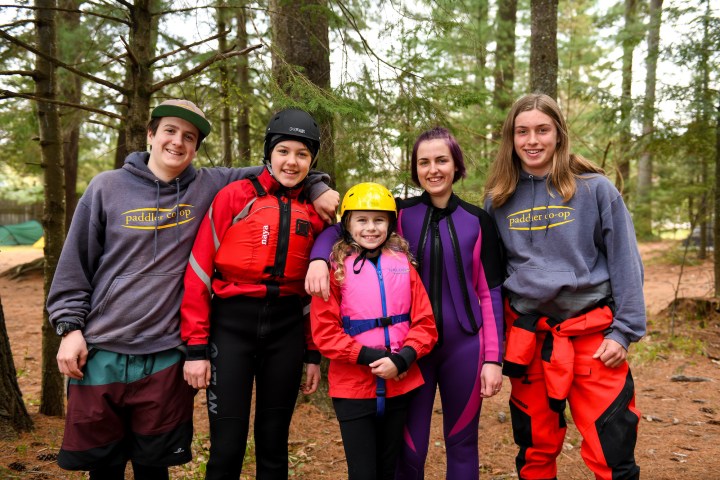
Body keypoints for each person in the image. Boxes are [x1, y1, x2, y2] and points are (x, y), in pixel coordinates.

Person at [47, 100, 339, 480]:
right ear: (150, 135)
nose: (178, 142)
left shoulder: (207, 185)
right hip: (104, 345)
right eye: (169, 131)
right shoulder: (107, 187)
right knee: (105, 465)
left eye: (189, 137)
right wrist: (70, 328)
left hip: (166, 350)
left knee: (155, 466)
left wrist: (317, 183)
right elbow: (75, 264)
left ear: (196, 147)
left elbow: (281, 171)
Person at [306, 127, 505, 479]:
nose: (433, 169)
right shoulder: (399, 214)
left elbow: (489, 292)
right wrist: (319, 259)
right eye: (424, 162)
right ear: (415, 169)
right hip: (410, 351)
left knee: (462, 441)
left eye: (442, 160)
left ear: (456, 165)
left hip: (465, 347)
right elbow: (343, 228)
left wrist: (493, 358)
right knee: (410, 449)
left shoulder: (478, 220)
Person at [483, 93, 645, 480]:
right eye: (522, 132)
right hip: (530, 339)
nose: (532, 140)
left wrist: (624, 333)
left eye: (542, 130)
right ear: (511, 138)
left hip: (593, 336)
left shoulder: (595, 189)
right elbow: (490, 278)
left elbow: (626, 261)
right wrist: (494, 343)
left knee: (611, 445)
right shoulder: (498, 199)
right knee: (535, 447)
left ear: (559, 134)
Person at [180, 108, 329, 479]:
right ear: (269, 152)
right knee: (226, 449)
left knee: (274, 446)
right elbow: (198, 272)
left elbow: (315, 295)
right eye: (283, 151)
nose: (291, 162)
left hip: (286, 331)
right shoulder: (235, 196)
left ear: (312, 161)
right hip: (231, 328)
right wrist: (196, 349)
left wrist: (313, 352)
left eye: (302, 154)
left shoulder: (315, 212)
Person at [310, 182, 438, 480]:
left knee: (388, 468)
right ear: (347, 224)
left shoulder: (404, 265)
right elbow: (325, 333)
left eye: (379, 220)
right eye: (362, 220)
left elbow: (426, 324)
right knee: (363, 472)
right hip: (353, 389)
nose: (371, 228)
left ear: (390, 224)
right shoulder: (334, 270)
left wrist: (403, 358)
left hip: (399, 384)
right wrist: (372, 358)